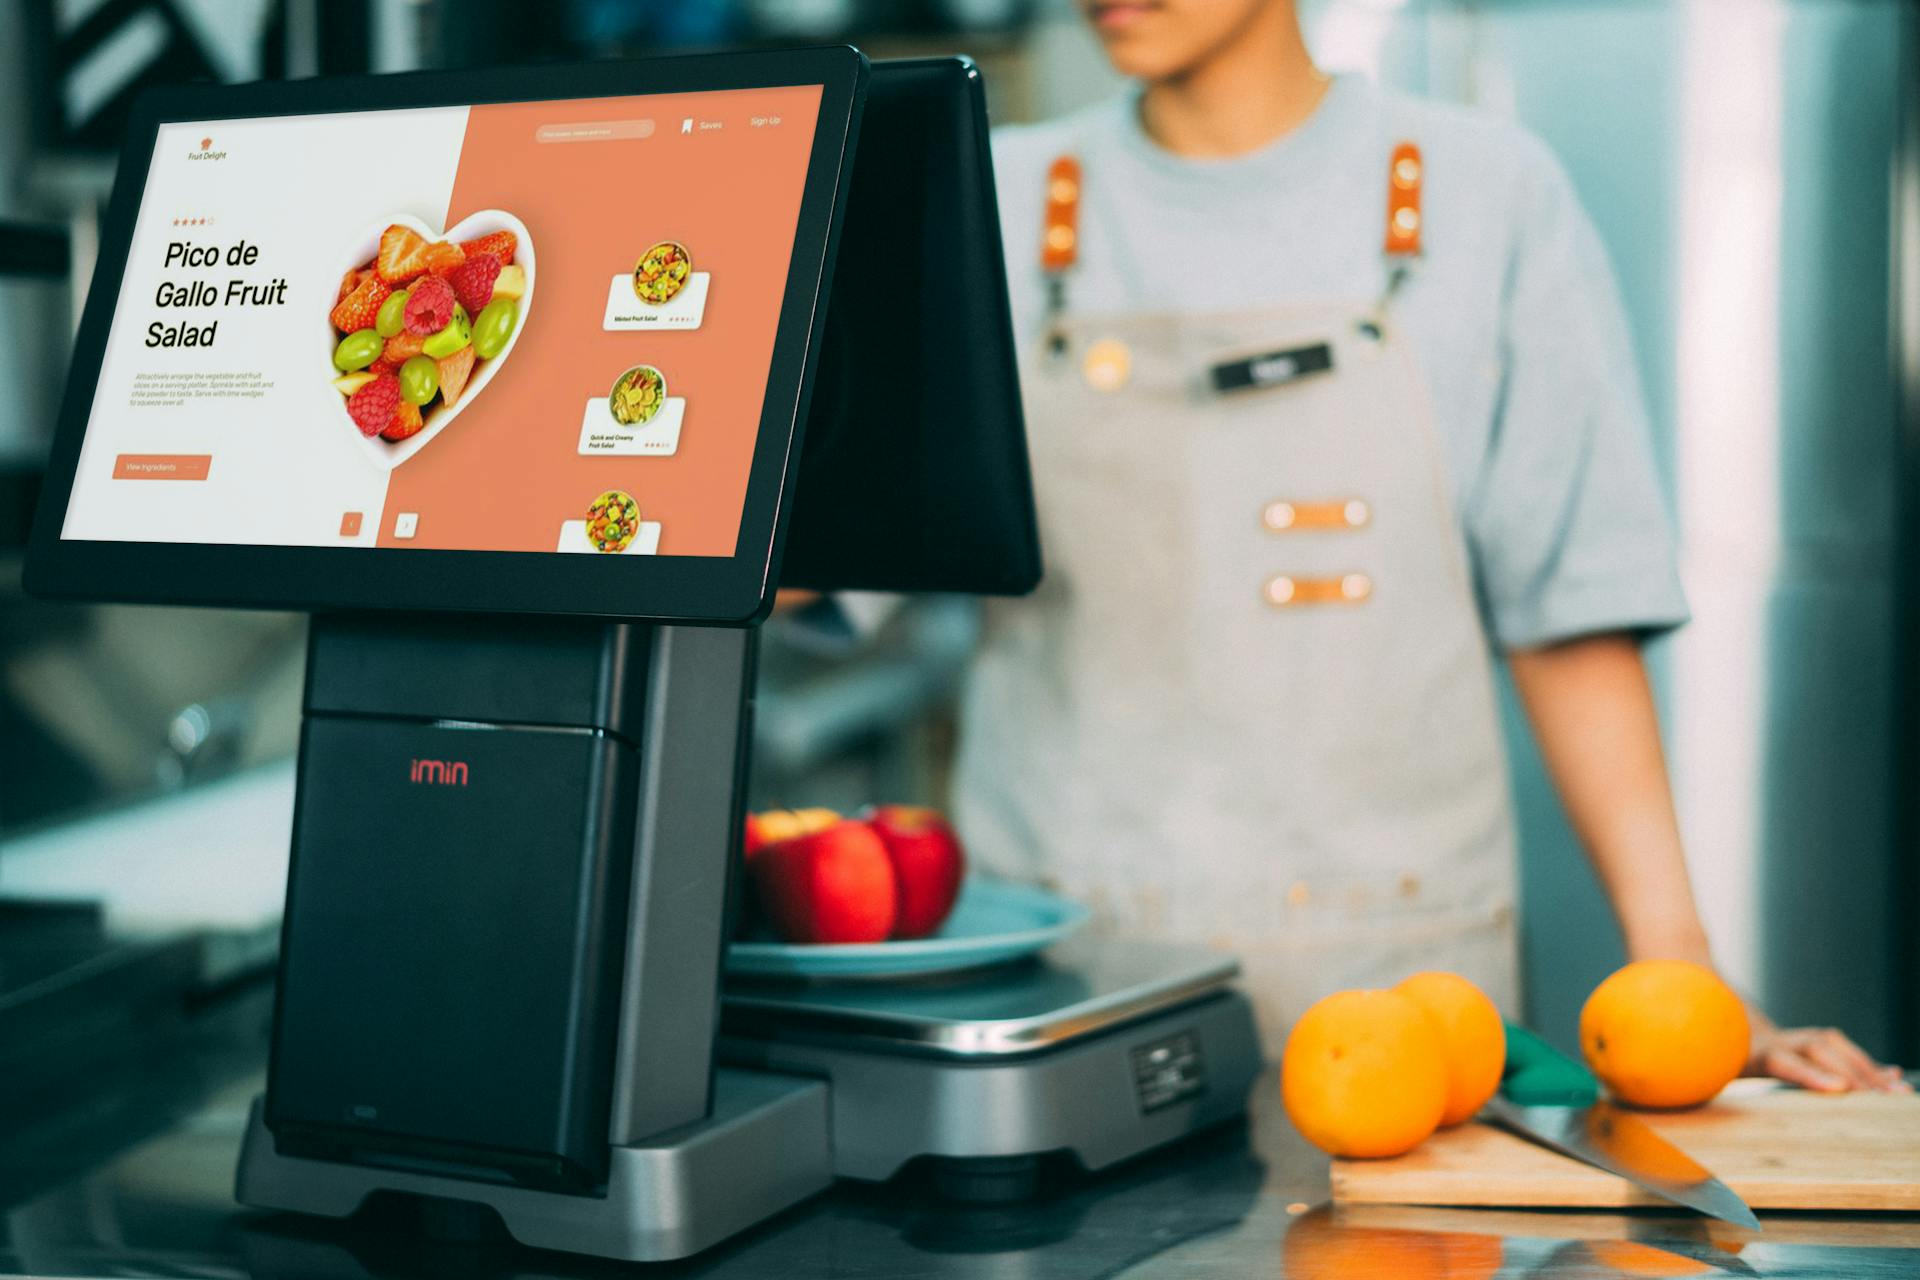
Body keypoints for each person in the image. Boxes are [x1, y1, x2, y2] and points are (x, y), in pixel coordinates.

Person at [943, 0, 1905, 1090]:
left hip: (1403, 994)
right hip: (1056, 1005)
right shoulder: (985, 197)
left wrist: (1683, 969)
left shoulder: (1491, 194)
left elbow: (1568, 619)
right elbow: (819, 568)